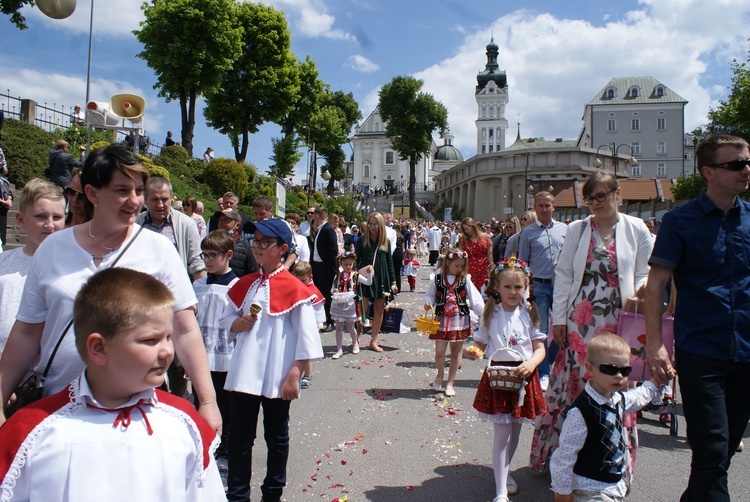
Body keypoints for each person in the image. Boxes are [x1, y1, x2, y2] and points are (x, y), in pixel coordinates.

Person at [0, 144, 221, 433]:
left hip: (140, 412)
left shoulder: (160, 250)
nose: (134, 201)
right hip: (60, 410)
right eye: (121, 190)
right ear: (92, 194)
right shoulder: (53, 249)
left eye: (138, 191)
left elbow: (185, 329)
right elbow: (27, 332)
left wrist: (207, 401)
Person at [0, 267, 226, 500]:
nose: (167, 351)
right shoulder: (32, 431)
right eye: (150, 340)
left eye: (168, 337)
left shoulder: (185, 424)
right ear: (99, 348)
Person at [644, 134, 750, 501]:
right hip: (702, 351)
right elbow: (656, 285)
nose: (746, 169)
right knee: (711, 450)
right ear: (708, 171)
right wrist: (655, 345)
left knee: (722, 453)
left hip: (747, 352)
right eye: (735, 164)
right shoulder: (680, 221)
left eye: (747, 161)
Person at [530, 172, 653, 472]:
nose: (595, 203)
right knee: (578, 384)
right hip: (581, 320)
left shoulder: (637, 228)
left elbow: (645, 271)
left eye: (601, 196)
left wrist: (643, 285)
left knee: (614, 383)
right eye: (590, 198)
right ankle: (566, 459)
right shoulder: (578, 229)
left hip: (619, 319)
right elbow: (564, 275)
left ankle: (610, 459)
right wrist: (558, 320)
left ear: (617, 193)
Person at [219, 218, 323, 502]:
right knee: (240, 439)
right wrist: (236, 323)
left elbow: (307, 337)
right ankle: (238, 495)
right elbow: (227, 316)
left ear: (282, 249)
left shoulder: (295, 289)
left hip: (277, 374)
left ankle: (272, 494)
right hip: (243, 374)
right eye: (255, 241)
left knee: (276, 438)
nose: (258, 247)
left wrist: (295, 373)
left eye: (265, 242)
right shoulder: (246, 283)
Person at [464, 257, 547, 502]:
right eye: (508, 287)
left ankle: (505, 471)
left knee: (515, 431)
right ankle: (500, 491)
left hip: (523, 376)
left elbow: (539, 347)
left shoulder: (529, 312)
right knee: (503, 434)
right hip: (499, 377)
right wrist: (473, 351)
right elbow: (479, 342)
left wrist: (531, 363)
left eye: (518, 287)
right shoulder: (492, 312)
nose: (513, 292)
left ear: (526, 288)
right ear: (497, 287)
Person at [550, 333, 670, 502]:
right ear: (590, 369)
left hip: (613, 486)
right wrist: (562, 492)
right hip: (590, 489)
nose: (619, 375)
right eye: (610, 369)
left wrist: (655, 382)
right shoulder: (582, 411)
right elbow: (565, 455)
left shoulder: (617, 399)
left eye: (624, 370)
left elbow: (638, 396)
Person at [192, 229, 239, 489]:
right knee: (201, 403)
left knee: (226, 410)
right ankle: (205, 450)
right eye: (205, 254)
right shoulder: (198, 285)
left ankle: (224, 456)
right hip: (201, 358)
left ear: (228, 255)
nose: (208, 260)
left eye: (213, 255)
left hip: (226, 358)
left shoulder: (237, 286)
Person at [0, 179, 65, 357]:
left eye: (57, 217)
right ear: (21, 220)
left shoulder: (74, 267)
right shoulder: (4, 264)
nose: (50, 225)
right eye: (40, 216)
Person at [518, 191, 567, 386]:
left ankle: (554, 360)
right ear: (535, 208)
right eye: (540, 206)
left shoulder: (565, 229)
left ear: (553, 207)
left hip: (562, 286)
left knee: (565, 326)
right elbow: (523, 262)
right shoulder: (527, 233)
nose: (544, 209)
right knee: (541, 331)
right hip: (539, 285)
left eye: (548, 205)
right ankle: (544, 372)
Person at [424, 248, 485, 397]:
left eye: (462, 266)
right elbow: (430, 295)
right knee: (439, 352)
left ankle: (450, 382)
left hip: (460, 319)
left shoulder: (465, 279)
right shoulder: (437, 278)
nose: (460, 269)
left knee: (456, 352)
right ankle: (440, 373)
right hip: (441, 319)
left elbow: (476, 299)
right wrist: (428, 302)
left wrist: (484, 315)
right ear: (448, 262)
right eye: (457, 265)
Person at [136, 176, 206, 283]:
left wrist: (201, 294)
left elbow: (196, 264)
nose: (160, 205)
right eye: (155, 199)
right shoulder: (136, 223)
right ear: (145, 199)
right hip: (141, 290)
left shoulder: (186, 224)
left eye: (164, 199)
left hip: (174, 293)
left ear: (171, 198)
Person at [355, 212, 398, 352]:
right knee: (362, 308)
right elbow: (356, 260)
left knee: (379, 309)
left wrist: (393, 281)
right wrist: (357, 273)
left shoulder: (386, 241)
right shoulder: (362, 240)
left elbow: (389, 262)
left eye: (375, 224)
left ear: (380, 225)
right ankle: (358, 336)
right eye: (370, 224)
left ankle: (374, 341)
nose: (373, 227)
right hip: (365, 277)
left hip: (382, 276)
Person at [290, 260, 326, 390]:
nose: (300, 283)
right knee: (296, 350)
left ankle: (307, 375)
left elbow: (319, 309)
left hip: (310, 326)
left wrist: (319, 324)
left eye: (303, 280)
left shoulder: (313, 292)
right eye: (297, 280)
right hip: (296, 324)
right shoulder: (294, 288)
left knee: (306, 352)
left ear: (310, 277)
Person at [311, 207, 338, 332]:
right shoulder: (320, 230)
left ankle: (330, 320)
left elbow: (333, 251)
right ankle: (321, 319)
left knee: (326, 295)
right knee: (319, 293)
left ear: (317, 216)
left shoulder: (328, 230)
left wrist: (328, 268)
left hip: (324, 267)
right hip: (317, 266)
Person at [329, 252, 361, 359]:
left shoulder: (356, 275)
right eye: (346, 264)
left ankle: (355, 343)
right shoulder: (338, 276)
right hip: (339, 302)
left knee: (350, 327)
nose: (348, 266)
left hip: (350, 303)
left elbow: (368, 282)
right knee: (338, 327)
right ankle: (339, 349)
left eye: (350, 264)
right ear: (341, 264)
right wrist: (335, 290)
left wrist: (370, 273)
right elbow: (332, 289)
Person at [214, 208, 258, 277]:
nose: (221, 223)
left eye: (226, 220)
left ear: (237, 225)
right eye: (220, 220)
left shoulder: (244, 247)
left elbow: (253, 274)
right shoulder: (212, 245)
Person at [458, 217, 494, 291]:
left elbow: (489, 253)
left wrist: (492, 265)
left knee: (485, 289)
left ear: (472, 226)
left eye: (467, 228)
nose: (466, 231)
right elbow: (462, 256)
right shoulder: (464, 239)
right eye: (464, 229)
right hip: (470, 268)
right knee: (472, 290)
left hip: (484, 268)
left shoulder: (485, 237)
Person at [0, 159, 12, 245]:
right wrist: (2, 201)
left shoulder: (3, 178)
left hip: (3, 210)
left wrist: (9, 199)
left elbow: (9, 191)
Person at [392, 223, 405, 293]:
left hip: (394, 252)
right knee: (398, 272)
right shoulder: (402, 237)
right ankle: (398, 288)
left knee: (393, 271)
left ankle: (393, 287)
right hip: (399, 253)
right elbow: (403, 248)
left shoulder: (393, 236)